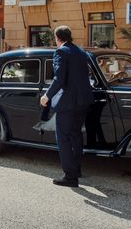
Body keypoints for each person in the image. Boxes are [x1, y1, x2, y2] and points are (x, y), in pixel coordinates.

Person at [40, 25, 94, 188]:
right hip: (83, 100)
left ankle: (70, 177)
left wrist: (46, 96)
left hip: (68, 102)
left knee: (63, 138)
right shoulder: (81, 51)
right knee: (76, 135)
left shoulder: (61, 52)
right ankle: (76, 170)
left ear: (57, 37)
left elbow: (59, 79)